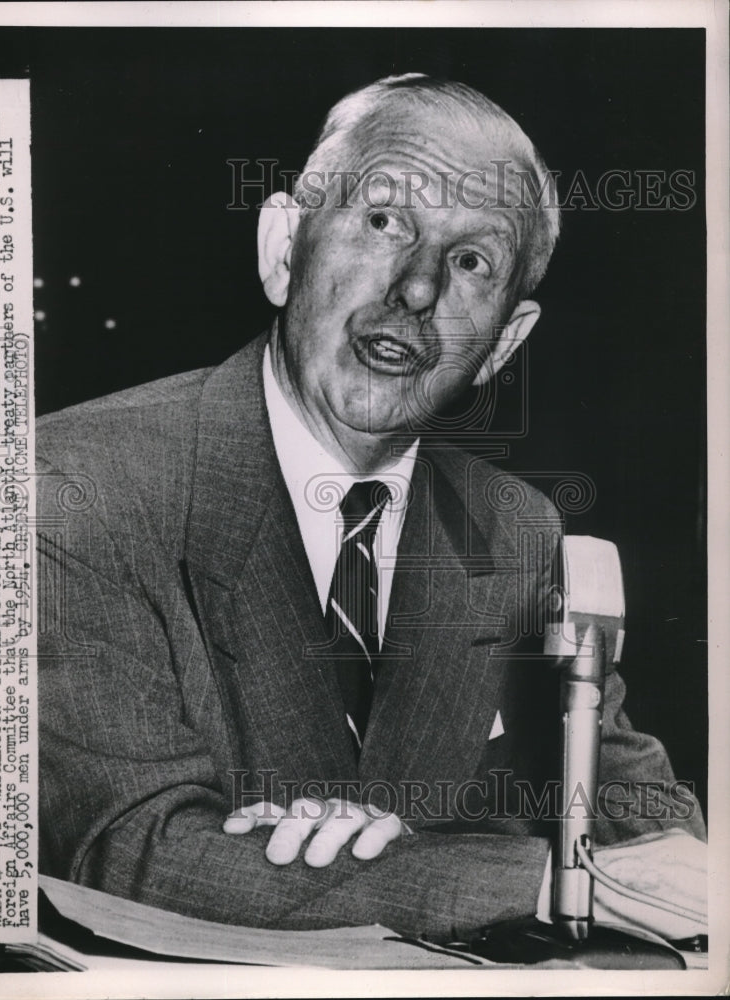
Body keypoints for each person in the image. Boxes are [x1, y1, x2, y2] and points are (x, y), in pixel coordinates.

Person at [36, 74, 706, 943]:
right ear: (284, 248)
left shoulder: (515, 530)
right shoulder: (74, 487)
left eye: (471, 261)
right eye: (384, 221)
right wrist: (547, 881)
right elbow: (127, 846)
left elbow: (638, 814)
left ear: (503, 341)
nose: (417, 290)